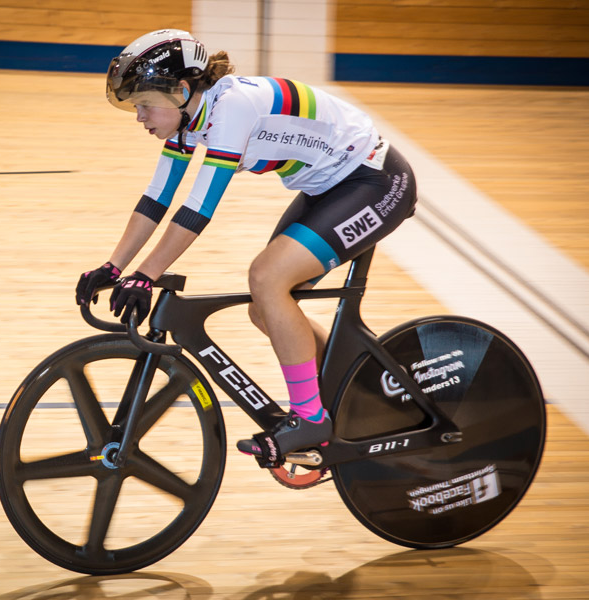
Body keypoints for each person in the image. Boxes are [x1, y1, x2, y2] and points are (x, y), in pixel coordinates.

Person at [75, 29, 417, 467]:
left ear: (181, 90)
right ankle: (357, 385)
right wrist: (114, 266)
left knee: (267, 278)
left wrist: (146, 275)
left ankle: (310, 419)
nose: (139, 116)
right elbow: (157, 198)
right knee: (265, 309)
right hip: (332, 187)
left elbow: (198, 208)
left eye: (144, 103)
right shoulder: (189, 118)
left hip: (375, 181)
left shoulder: (232, 109)